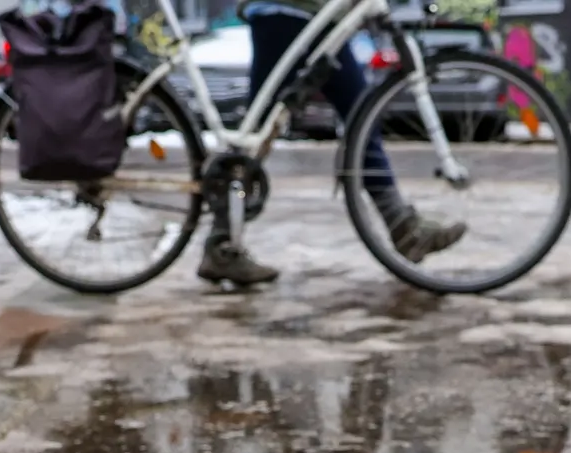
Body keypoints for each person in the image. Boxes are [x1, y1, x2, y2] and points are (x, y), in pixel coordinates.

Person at [198, 3, 467, 286]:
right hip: (292, 12)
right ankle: (222, 240)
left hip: (305, 14)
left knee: (350, 117)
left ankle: (222, 240)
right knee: (345, 117)